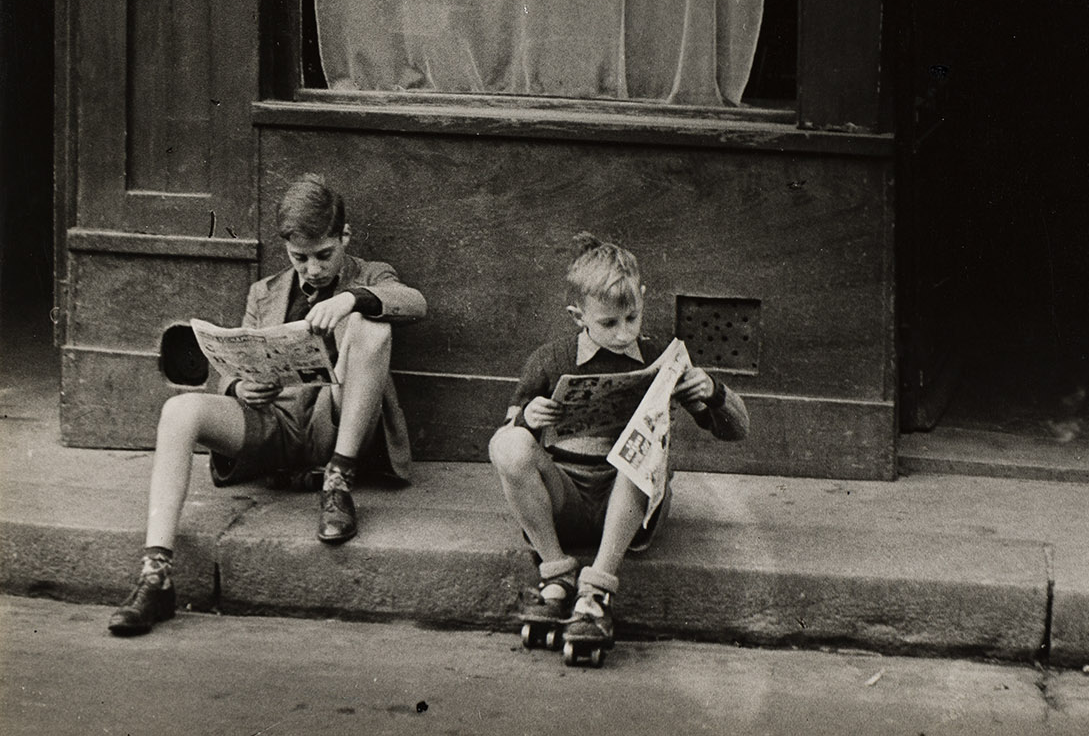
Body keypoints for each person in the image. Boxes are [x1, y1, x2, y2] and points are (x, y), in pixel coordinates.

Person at [108, 173, 427, 636]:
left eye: (324, 255)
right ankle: (155, 576)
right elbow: (235, 364)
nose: (313, 270)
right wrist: (239, 388)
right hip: (273, 421)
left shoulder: (369, 274)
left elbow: (414, 303)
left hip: (334, 420)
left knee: (374, 329)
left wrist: (352, 301)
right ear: (285, 249)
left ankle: (337, 484)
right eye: (300, 258)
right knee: (178, 412)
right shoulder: (265, 292)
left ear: (344, 238)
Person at [488, 231, 749, 655]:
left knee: (643, 447)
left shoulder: (660, 358)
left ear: (642, 299)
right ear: (578, 315)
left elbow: (737, 430)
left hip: (628, 504)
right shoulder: (551, 359)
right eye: (608, 323)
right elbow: (507, 437)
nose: (624, 334)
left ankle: (596, 592)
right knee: (508, 445)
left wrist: (714, 392)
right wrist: (526, 417)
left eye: (632, 318)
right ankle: (556, 574)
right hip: (565, 499)